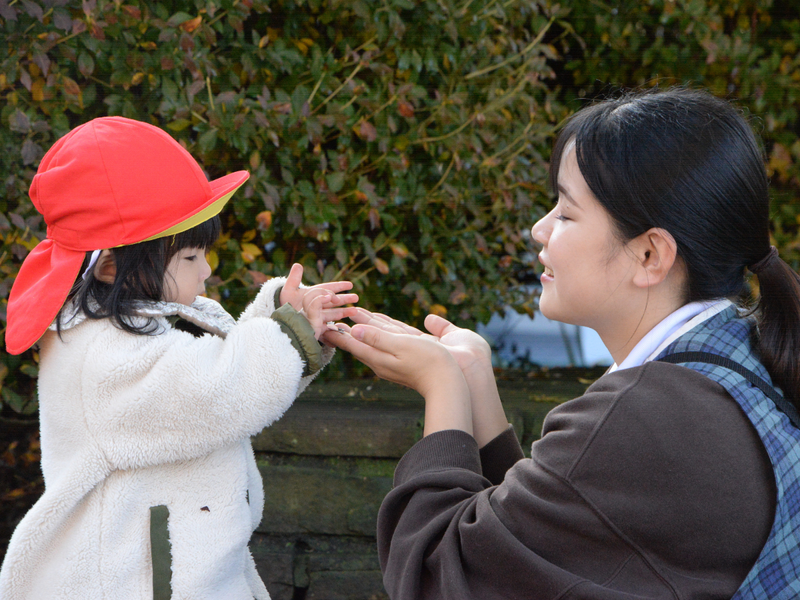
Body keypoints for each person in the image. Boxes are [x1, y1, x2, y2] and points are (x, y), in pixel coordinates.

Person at [323, 87, 800, 599]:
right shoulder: (737, 357)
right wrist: (475, 387)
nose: (539, 229)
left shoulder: (646, 415)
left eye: (567, 214)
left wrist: (440, 387)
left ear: (649, 255)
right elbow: (556, 545)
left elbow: (439, 578)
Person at [0, 116, 358, 600]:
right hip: (131, 584)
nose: (207, 270)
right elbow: (218, 391)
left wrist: (284, 321)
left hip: (185, 570)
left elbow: (230, 380)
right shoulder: (101, 357)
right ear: (110, 265)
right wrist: (288, 334)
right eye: (190, 258)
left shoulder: (136, 323)